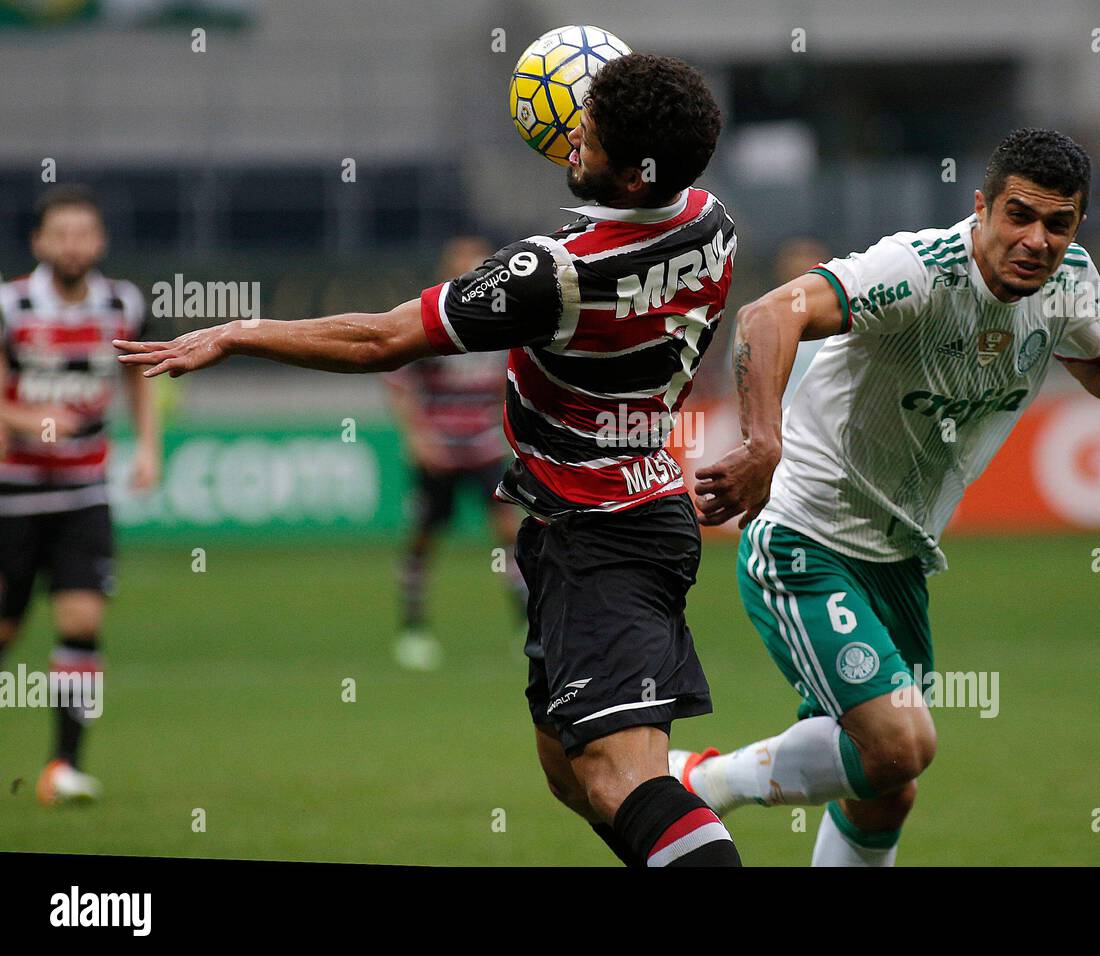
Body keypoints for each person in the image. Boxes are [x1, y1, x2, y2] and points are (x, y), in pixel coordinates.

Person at [116, 53, 743, 866]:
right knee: (570, 772)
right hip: (604, 514)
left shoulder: (555, 273)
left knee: (618, 780)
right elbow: (642, 170)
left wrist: (240, 333)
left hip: (605, 534)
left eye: (589, 137)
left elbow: (380, 339)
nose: (571, 138)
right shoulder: (711, 220)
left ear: (631, 177)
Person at [679, 128, 1100, 866]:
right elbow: (767, 316)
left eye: (1059, 223)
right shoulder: (917, 271)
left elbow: (1097, 351)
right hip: (805, 538)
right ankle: (706, 779)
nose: (1037, 240)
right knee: (900, 745)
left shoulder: (1071, 280)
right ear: (981, 208)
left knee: (888, 789)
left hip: (898, 561)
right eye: (1019, 215)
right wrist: (763, 443)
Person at [0, 184, 161, 805]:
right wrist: (35, 422)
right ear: (40, 242)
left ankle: (62, 766)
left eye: (83, 233)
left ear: (100, 241)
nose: (73, 245)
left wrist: (148, 447)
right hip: (11, 493)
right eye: (59, 234)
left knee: (82, 620)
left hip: (83, 491)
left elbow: (141, 378)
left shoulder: (122, 303)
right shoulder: (12, 306)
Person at [385, 235, 527, 671]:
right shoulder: (431, 319)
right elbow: (399, 381)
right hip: (440, 452)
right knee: (424, 537)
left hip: (484, 447)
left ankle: (526, 625)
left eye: (476, 265)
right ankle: (412, 629)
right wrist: (417, 436)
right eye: (462, 264)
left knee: (510, 532)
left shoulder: (502, 320)